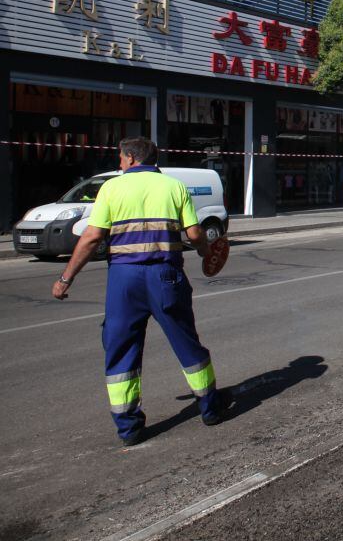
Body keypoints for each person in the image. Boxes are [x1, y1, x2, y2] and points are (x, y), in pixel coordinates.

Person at [51, 137, 232, 446]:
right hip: (166, 275)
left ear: (132, 159)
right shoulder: (174, 187)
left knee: (121, 348)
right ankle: (209, 408)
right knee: (186, 341)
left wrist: (66, 277)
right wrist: (204, 251)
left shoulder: (111, 188)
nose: (120, 162)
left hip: (124, 278)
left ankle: (129, 428)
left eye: (121, 158)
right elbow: (193, 232)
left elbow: (93, 237)